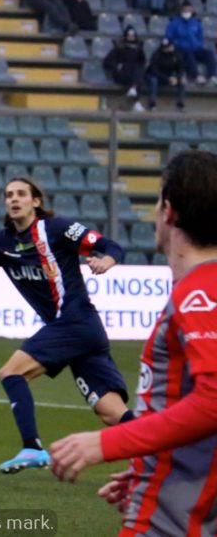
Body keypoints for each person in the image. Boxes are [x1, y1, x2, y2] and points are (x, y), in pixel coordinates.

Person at [49, 151, 217, 537]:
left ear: (168, 211)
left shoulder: (199, 293)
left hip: (168, 521)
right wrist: (151, 464)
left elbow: (212, 400)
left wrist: (107, 443)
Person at [0, 177, 130, 474]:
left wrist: (107, 260)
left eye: (21, 194)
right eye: (9, 195)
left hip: (75, 321)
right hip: (80, 332)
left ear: (35, 201)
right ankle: (165, 451)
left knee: (11, 372)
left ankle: (31, 447)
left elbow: (109, 245)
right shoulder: (1, 243)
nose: (13, 199)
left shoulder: (56, 229)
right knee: (111, 412)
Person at [165, 2, 217, 86]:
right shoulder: (173, 23)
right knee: (188, 54)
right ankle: (196, 76)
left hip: (196, 48)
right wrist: (178, 45)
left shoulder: (196, 23)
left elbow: (200, 37)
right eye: (185, 10)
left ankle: (212, 76)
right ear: (181, 11)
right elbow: (169, 37)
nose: (187, 12)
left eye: (189, 10)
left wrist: (198, 45)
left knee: (209, 54)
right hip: (181, 49)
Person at [103, 26, 147, 111]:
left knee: (138, 70)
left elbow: (142, 61)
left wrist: (140, 51)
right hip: (121, 74)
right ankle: (135, 100)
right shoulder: (119, 48)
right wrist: (117, 66)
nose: (131, 37)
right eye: (129, 36)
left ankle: (133, 90)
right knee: (137, 77)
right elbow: (107, 61)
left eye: (133, 36)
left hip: (134, 74)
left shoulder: (138, 48)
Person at [145, 37, 187, 111]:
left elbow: (181, 69)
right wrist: (168, 79)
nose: (167, 48)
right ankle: (152, 104)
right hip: (156, 76)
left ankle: (180, 104)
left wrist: (177, 77)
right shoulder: (156, 55)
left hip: (170, 76)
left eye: (169, 46)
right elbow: (154, 71)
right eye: (165, 47)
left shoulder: (177, 55)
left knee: (182, 81)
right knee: (153, 81)